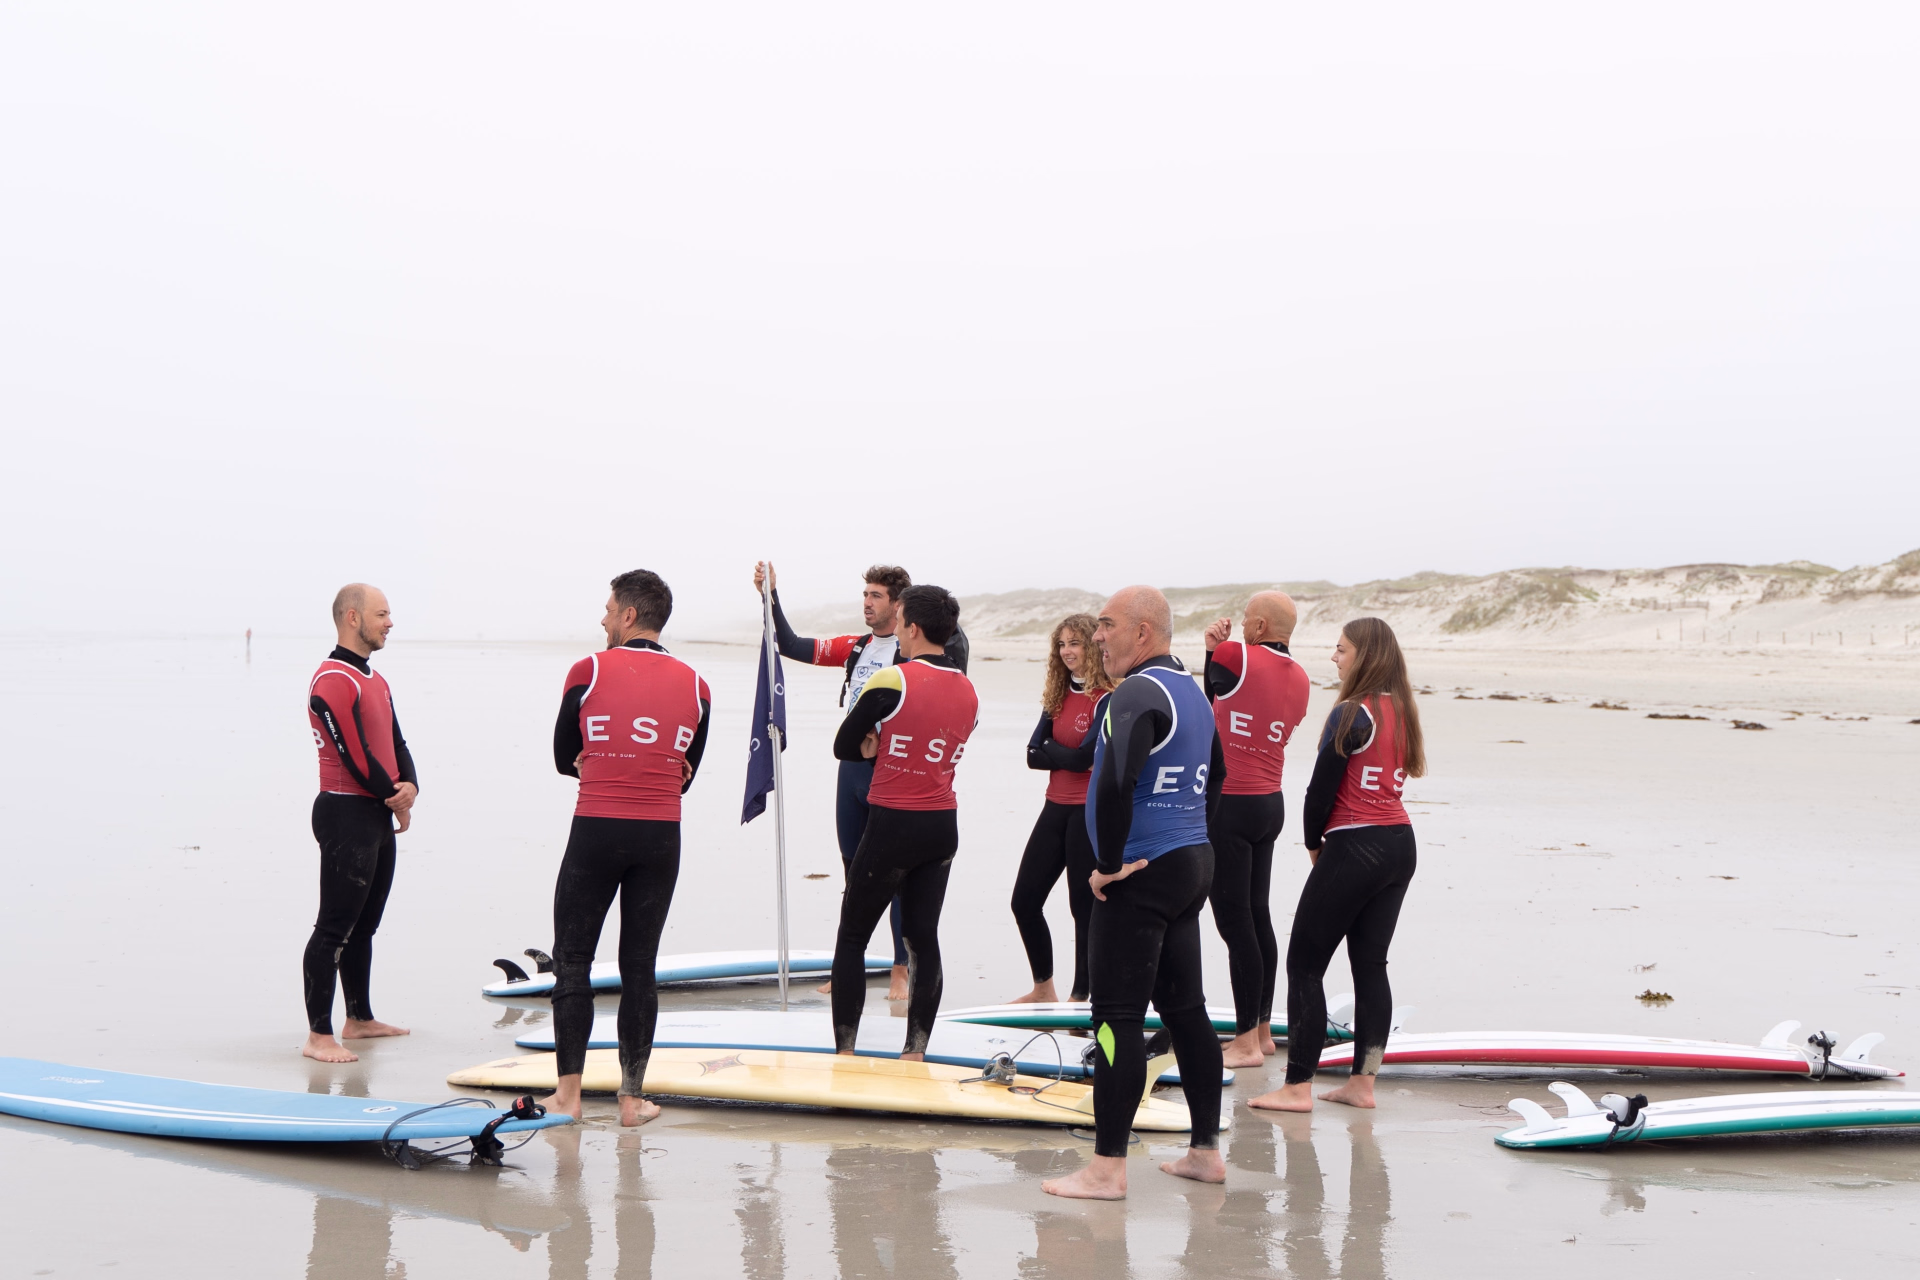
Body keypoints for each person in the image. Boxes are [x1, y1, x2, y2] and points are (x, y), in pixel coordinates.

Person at [1043, 586, 1225, 1200]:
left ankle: (1106, 1170)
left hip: (1141, 872)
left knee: (1115, 1020)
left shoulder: (1136, 693)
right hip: (1189, 863)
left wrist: (1108, 864)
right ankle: (1205, 1152)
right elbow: (1217, 778)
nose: (1097, 636)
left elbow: (1116, 782)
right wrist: (1188, 834)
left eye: (1106, 625)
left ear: (1142, 632)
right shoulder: (1193, 693)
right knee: (1186, 1010)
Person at [752, 561, 970, 999]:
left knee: (899, 875)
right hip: (852, 768)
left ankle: (900, 968)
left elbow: (952, 671)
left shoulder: (914, 655)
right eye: (865, 594)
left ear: (900, 606)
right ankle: (848, 965)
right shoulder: (857, 647)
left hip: (891, 772)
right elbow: (789, 644)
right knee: (854, 872)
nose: (867, 603)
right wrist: (769, 595)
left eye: (876, 596)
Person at [543, 570, 711, 1126]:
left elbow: (562, 756)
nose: (603, 618)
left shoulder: (588, 670)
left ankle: (567, 1096)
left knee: (573, 959)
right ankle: (632, 1099)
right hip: (661, 836)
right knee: (640, 966)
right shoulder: (698, 685)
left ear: (630, 615)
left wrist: (603, 762)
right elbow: (686, 774)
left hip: (597, 827)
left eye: (609, 609)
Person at [1249, 617, 1425, 1113]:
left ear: (1364, 655)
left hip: (1356, 845)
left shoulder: (1352, 712)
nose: (1334, 656)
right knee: (1371, 965)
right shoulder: (1403, 710)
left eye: (1341, 649)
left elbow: (1319, 790)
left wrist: (1313, 843)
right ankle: (1362, 1085)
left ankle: (1296, 1087)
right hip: (1400, 845)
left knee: (1305, 964)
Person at [827, 585, 977, 1059]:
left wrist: (875, 744)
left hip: (893, 822)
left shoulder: (892, 679)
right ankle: (915, 1051)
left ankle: (846, 1052)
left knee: (852, 936)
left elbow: (845, 746)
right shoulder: (968, 689)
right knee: (922, 939)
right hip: (942, 825)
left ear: (911, 627)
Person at [302, 584, 417, 1063]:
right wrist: (395, 798)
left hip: (375, 811)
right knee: (334, 926)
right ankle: (318, 1036)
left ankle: (359, 1018)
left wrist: (411, 787)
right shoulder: (333, 679)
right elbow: (353, 755)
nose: (390, 623)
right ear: (353, 618)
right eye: (381, 614)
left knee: (364, 925)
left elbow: (396, 742)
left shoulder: (376, 679)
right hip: (346, 811)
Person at [1201, 591, 1311, 1067]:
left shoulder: (1234, 655)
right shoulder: (1302, 678)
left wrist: (1211, 650)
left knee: (1234, 922)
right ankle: (1262, 1031)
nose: (1242, 625)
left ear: (1261, 626)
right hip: (1270, 803)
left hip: (1231, 802)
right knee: (1257, 914)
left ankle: (1245, 1042)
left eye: (1248, 619)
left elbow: (1209, 701)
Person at [1005, 614, 1114, 1004]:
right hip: (1054, 809)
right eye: (1062, 645)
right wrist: (1062, 754)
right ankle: (1043, 988)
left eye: (1075, 643)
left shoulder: (1106, 698)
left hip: (1087, 813)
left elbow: (1085, 758)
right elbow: (1032, 755)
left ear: (1093, 646)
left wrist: (1054, 750)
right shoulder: (1058, 695)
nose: (1067, 652)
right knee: (1024, 901)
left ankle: (1081, 995)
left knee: (1082, 908)